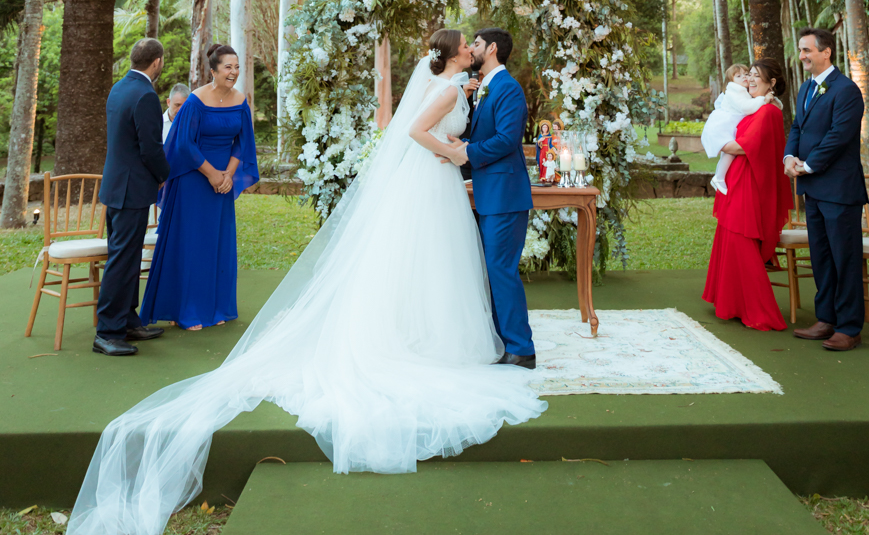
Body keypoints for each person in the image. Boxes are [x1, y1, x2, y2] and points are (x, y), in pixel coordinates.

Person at [68, 31, 544, 535]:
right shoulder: (448, 89)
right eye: (465, 46)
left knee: (437, 264)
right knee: (435, 262)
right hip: (437, 179)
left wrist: (455, 145)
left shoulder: (463, 86)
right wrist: (455, 154)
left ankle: (441, 330)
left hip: (439, 184)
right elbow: (418, 133)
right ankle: (438, 337)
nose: (472, 48)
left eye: (476, 45)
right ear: (453, 55)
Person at [139, 44, 258, 331]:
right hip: (194, 178)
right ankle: (187, 310)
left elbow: (243, 143)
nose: (233, 72)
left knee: (217, 244)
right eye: (228, 67)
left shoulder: (241, 101)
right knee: (193, 244)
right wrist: (212, 175)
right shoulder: (194, 101)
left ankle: (216, 306)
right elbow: (184, 144)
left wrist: (228, 175)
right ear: (214, 71)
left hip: (222, 183)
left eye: (237, 66)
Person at [444, 26, 536, 369]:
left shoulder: (508, 88)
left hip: (505, 195)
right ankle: (504, 341)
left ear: (493, 48)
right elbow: (480, 132)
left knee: (502, 270)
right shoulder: (485, 88)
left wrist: (466, 152)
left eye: (476, 44)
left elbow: (506, 140)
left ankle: (521, 349)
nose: (472, 49)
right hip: (490, 193)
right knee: (494, 271)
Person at [785, 26, 867, 352]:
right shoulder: (806, 88)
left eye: (807, 50)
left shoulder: (846, 90)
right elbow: (797, 127)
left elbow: (838, 136)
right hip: (813, 190)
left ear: (826, 51)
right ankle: (825, 319)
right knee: (821, 257)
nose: (802, 56)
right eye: (801, 50)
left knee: (844, 258)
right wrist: (790, 156)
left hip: (840, 189)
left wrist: (807, 164)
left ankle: (849, 328)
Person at [702, 61, 792, 332]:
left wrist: (715, 142)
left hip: (749, 184)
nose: (750, 80)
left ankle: (759, 310)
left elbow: (743, 146)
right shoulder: (755, 108)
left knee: (740, 241)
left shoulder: (767, 112)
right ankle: (731, 303)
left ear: (771, 82)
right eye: (749, 76)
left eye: (756, 76)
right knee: (730, 239)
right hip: (738, 180)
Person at [94, 39, 170, 357]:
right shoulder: (146, 95)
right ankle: (107, 332)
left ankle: (128, 321)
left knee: (126, 257)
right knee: (122, 261)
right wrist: (165, 175)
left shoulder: (119, 88)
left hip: (116, 187)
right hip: (131, 190)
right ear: (156, 63)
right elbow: (150, 147)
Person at [702, 62, 779, 194]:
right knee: (728, 152)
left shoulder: (762, 107)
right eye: (739, 76)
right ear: (730, 81)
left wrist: (770, 100)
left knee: (728, 153)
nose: (746, 78)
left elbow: (753, 145)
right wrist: (763, 99)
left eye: (746, 74)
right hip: (724, 125)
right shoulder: (735, 91)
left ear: (771, 83)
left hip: (746, 174)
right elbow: (746, 107)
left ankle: (719, 176)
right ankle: (719, 176)